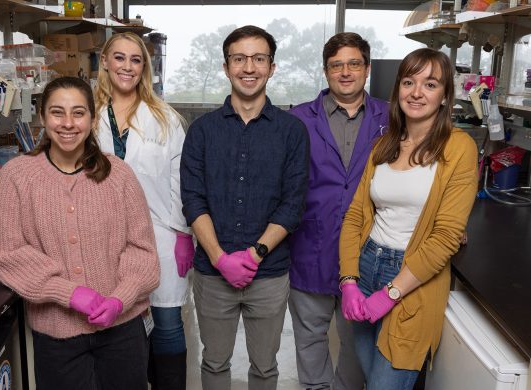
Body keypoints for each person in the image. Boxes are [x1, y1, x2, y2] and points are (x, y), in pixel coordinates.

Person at [0, 76, 160, 390]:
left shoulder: (118, 174)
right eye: (57, 112)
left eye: (78, 113)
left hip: (122, 332)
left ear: (92, 119)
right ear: (42, 118)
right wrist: (67, 292)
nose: (68, 123)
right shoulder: (17, 176)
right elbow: (6, 252)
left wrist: (120, 299)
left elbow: (142, 250)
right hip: (56, 335)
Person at [339, 48, 478, 390]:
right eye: (409, 82)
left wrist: (391, 292)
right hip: (368, 264)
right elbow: (355, 215)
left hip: (411, 278)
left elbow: (446, 235)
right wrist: (349, 281)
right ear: (397, 89)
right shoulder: (383, 146)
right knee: (372, 379)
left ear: (445, 96)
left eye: (430, 84)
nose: (416, 92)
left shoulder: (459, 149)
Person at [180, 25, 309, 390]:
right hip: (211, 272)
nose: (248, 67)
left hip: (268, 275)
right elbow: (193, 199)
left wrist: (254, 255)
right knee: (215, 362)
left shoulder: (292, 131)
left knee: (266, 368)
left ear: (272, 66)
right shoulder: (201, 131)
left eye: (258, 58)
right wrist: (221, 258)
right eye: (239, 59)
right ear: (226, 67)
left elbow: (292, 203)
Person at [288, 32, 389, 390]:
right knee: (311, 337)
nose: (345, 72)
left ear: (367, 68)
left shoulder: (391, 118)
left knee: (357, 342)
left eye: (353, 63)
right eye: (336, 65)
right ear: (326, 71)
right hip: (309, 246)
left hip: (368, 251)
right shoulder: (298, 119)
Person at [93, 32, 194, 389]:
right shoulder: (86, 116)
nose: (127, 66)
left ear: (144, 68)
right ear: (104, 61)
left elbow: (180, 180)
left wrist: (183, 233)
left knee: (167, 323)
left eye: (136, 60)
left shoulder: (164, 117)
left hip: (159, 234)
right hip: (100, 237)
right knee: (118, 324)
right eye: (119, 58)